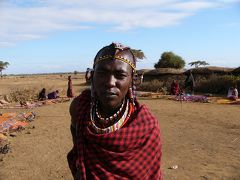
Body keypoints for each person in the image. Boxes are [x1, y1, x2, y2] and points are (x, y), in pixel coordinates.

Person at [67, 42, 162, 179]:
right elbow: (78, 151)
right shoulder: (79, 108)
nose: (110, 82)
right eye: (102, 74)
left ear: (133, 80)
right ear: (92, 76)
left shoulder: (146, 125)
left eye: (120, 75)